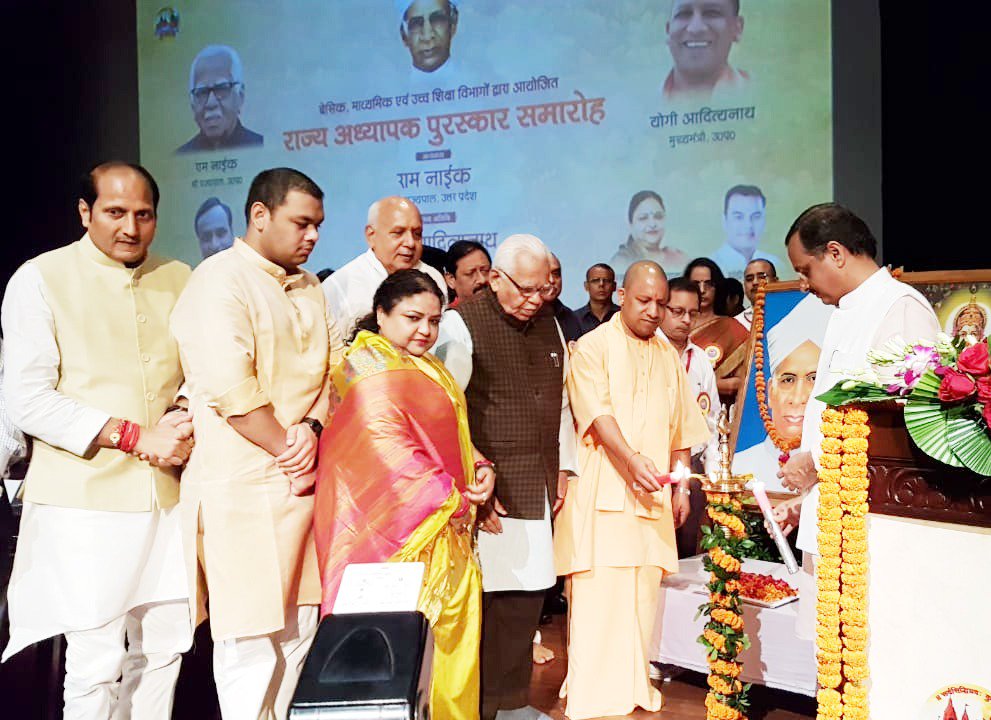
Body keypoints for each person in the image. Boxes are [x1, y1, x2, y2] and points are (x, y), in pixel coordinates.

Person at [1, 162, 194, 717]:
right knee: (95, 659)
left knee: (164, 648)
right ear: (85, 212)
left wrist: (181, 414)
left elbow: (200, 371)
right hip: (83, 500)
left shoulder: (179, 276)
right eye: (114, 213)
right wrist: (136, 437)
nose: (130, 227)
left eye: (143, 214)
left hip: (169, 495)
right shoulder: (39, 278)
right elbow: (28, 400)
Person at [170, 168, 345, 719]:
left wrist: (312, 432)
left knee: (298, 633)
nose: (313, 235)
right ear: (260, 215)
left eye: (318, 224)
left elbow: (333, 371)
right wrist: (287, 448)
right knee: (249, 646)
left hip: (302, 485)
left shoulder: (312, 285)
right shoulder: (218, 279)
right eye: (301, 223)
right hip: (241, 491)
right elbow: (228, 386)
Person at [314, 269, 494, 720]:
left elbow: (452, 432)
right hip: (391, 539)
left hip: (445, 531)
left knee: (448, 645)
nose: (426, 331)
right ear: (381, 314)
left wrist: (483, 468)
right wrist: (448, 495)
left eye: (434, 321)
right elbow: (384, 446)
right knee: (395, 654)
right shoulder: (361, 366)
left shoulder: (429, 365)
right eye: (413, 318)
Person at [553, 261, 709, 719]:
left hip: (653, 494)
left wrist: (680, 487)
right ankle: (593, 690)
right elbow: (596, 416)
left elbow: (681, 427)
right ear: (621, 295)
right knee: (599, 593)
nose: (653, 311)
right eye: (644, 301)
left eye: (661, 303)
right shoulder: (593, 347)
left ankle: (635, 684)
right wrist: (631, 459)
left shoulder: (666, 352)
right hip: (603, 490)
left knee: (643, 595)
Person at [776, 203, 938, 641]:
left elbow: (906, 429)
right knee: (830, 659)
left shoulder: (898, 308)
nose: (804, 285)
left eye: (806, 270)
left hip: (871, 523)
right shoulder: (849, 310)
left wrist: (817, 463)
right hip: (831, 512)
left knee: (865, 658)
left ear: (836, 252)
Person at [434, 234, 577, 720]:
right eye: (526, 290)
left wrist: (564, 469)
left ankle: (512, 701)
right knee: (491, 602)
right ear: (495, 279)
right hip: (488, 488)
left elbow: (560, 403)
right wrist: (471, 482)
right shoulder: (460, 324)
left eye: (545, 290)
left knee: (529, 593)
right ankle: (484, 706)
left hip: (537, 482)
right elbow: (445, 411)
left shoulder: (548, 324)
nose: (536, 300)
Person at [732, 294, 832, 499]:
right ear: (769, 391)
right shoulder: (740, 467)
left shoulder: (842, 466)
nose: (798, 398)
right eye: (788, 380)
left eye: (813, 379)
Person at [323, 196, 446, 339]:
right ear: (371, 236)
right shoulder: (339, 286)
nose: (410, 243)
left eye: (417, 234)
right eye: (398, 233)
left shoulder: (433, 278)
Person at [659, 276, 720, 557]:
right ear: (662, 308)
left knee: (686, 552)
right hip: (653, 469)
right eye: (677, 311)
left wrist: (713, 474)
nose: (685, 319)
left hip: (692, 468)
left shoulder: (700, 360)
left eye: (692, 313)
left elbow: (712, 421)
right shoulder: (647, 351)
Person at [177, 45, 263, 153]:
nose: (211, 103)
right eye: (202, 92)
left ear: (240, 96)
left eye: (221, 88)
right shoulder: (182, 155)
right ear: (192, 105)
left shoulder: (260, 146)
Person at [686, 257, 750, 404]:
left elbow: (742, 382)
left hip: (715, 413)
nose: (702, 290)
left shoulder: (731, 329)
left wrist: (711, 384)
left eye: (709, 284)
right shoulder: (671, 325)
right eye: (696, 284)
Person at [663, 0, 749, 102]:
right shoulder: (644, 102)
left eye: (712, 13)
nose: (696, 28)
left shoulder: (761, 94)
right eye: (683, 14)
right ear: (668, 31)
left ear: (737, 28)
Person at [610, 191, 688, 280]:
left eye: (658, 216)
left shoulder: (677, 257)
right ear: (631, 225)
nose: (652, 224)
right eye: (643, 218)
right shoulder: (622, 261)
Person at [710, 185, 783, 279]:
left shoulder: (776, 264)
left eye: (756, 217)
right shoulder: (711, 267)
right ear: (724, 220)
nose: (748, 225)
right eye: (739, 217)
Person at [399, 0, 460, 80]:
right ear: (404, 36)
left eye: (437, 19)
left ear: (453, 25)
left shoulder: (474, 77)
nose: (427, 37)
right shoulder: (391, 87)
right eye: (416, 23)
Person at [574, 263, 620, 337]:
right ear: (586, 286)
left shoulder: (623, 316)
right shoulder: (574, 319)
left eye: (607, 281)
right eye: (595, 281)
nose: (601, 284)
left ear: (614, 286)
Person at [444, 239, 491, 306]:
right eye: (471, 273)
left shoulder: (506, 310)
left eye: (485, 271)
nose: (482, 280)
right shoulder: (451, 315)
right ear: (451, 279)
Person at [548, 253, 582, 343]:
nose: (551, 280)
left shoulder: (571, 318)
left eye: (556, 274)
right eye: (545, 274)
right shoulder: (519, 317)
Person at [736, 258, 778, 330]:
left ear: (776, 281)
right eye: (749, 279)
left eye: (762, 277)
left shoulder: (791, 313)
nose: (755, 282)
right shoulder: (736, 323)